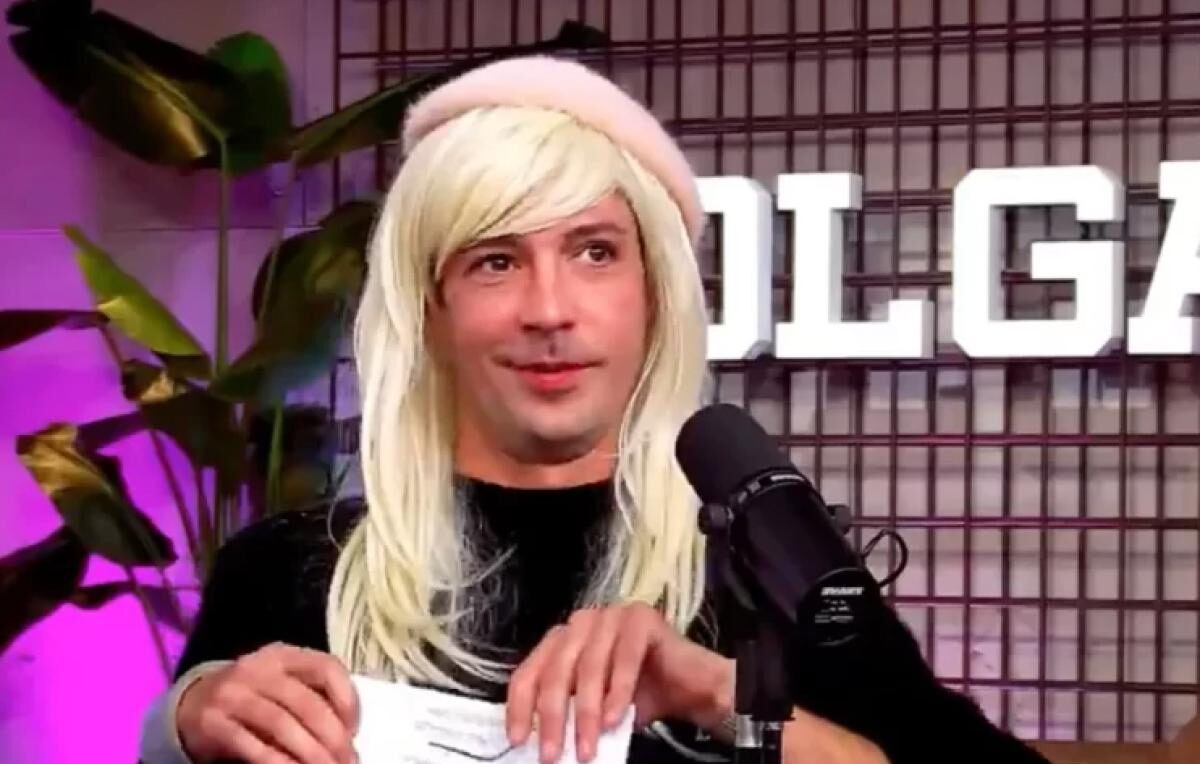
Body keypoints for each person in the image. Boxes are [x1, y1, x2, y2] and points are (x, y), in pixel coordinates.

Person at [139, 56, 1049, 764]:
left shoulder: (766, 571)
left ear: (655, 293)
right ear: (430, 308)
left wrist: (718, 695)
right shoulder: (292, 571)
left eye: (595, 251)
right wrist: (183, 724)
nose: (549, 309)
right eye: (495, 261)